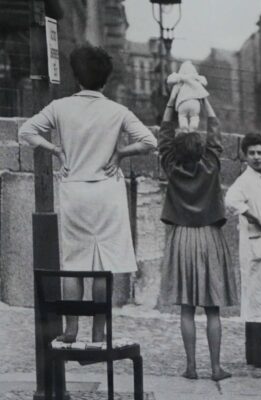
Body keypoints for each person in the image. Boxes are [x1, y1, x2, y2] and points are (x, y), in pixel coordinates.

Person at [19, 45, 157, 343]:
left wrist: (55, 150)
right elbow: (149, 141)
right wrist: (120, 153)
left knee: (74, 262)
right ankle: (99, 330)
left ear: (76, 77)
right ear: (105, 80)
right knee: (101, 266)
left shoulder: (60, 108)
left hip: (74, 190)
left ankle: (71, 329)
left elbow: (26, 132)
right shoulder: (118, 111)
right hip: (107, 192)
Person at [158, 92, 238, 382]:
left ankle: (191, 367)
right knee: (213, 309)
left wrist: (171, 102)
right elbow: (216, 135)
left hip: (181, 238)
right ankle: (216, 368)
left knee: (187, 309)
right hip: (209, 237)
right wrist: (205, 101)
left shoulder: (171, 166)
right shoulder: (211, 165)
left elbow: (164, 138)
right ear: (202, 149)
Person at [225, 133, 261, 370]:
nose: (257, 157)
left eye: (260, 153)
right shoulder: (245, 180)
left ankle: (255, 352)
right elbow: (230, 201)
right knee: (257, 298)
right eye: (252, 153)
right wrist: (252, 215)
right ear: (245, 155)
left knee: (260, 298)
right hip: (255, 244)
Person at [166, 60, 209, 131]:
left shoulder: (180, 80)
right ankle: (193, 127)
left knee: (182, 116)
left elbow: (173, 94)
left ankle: (184, 128)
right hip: (194, 102)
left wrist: (172, 100)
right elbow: (204, 82)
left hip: (182, 102)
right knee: (194, 116)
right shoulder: (195, 79)